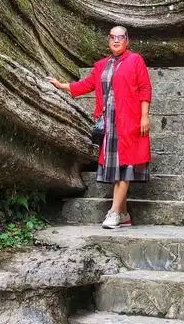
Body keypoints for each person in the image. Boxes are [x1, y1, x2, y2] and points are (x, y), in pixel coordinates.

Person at [49, 25, 152, 229]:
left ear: (127, 41)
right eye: (113, 37)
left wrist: (144, 116)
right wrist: (62, 85)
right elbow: (86, 85)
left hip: (130, 123)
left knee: (125, 168)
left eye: (120, 37)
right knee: (116, 169)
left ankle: (113, 213)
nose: (116, 40)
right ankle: (123, 215)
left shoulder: (135, 60)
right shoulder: (101, 65)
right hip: (109, 125)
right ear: (108, 40)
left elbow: (145, 88)